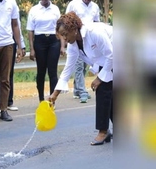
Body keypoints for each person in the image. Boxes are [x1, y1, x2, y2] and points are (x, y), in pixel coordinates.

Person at [48, 11, 113, 146]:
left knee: (103, 89)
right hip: (105, 61)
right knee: (109, 94)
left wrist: (100, 78)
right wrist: (54, 95)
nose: (64, 39)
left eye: (65, 34)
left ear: (74, 29)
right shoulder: (73, 44)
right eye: (62, 36)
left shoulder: (94, 32)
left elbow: (111, 55)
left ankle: (103, 131)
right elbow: (67, 69)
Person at [26, 0, 62, 104]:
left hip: (53, 40)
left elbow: (60, 28)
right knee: (41, 71)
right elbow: (30, 30)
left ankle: (52, 99)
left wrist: (62, 45)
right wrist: (32, 49)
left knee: (52, 71)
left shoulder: (55, 9)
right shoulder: (34, 10)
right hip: (40, 40)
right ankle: (41, 98)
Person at [65, 0, 100, 103]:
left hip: (89, 40)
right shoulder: (74, 4)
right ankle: (82, 91)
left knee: (84, 65)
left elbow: (96, 23)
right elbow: (66, 20)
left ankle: (76, 89)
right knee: (79, 65)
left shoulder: (95, 7)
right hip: (76, 38)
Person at [1, 0, 26, 111]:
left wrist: (21, 45)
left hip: (11, 41)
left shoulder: (13, 5)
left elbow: (18, 27)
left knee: (9, 73)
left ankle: (8, 101)